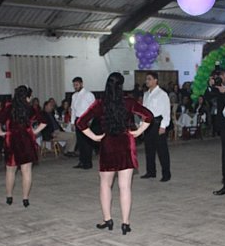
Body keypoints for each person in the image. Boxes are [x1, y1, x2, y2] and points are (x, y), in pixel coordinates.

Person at [76, 72, 153, 235]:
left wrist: (94, 137)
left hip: (108, 145)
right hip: (126, 145)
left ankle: (108, 219)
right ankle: (125, 223)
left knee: (105, 185)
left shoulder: (100, 104)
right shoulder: (129, 102)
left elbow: (80, 122)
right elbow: (149, 116)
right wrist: (138, 132)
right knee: (125, 187)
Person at [0, 86, 47, 207]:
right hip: (26, 140)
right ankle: (25, 198)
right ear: (27, 96)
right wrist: (34, 132)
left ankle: (9, 196)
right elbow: (44, 122)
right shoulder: (30, 108)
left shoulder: (9, 107)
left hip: (12, 140)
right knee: (26, 171)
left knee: (10, 170)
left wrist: (1, 132)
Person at [207, 70, 225, 193]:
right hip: (224, 125)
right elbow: (207, 97)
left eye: (218, 77)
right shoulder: (217, 86)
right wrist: (210, 86)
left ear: (224, 75)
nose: (218, 79)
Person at [141, 72, 171, 182]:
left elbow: (166, 111)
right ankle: (151, 171)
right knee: (149, 149)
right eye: (146, 79)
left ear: (155, 80)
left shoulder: (162, 94)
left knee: (162, 151)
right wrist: (142, 125)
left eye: (149, 79)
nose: (147, 81)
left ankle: (166, 174)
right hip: (148, 124)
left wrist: (163, 126)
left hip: (158, 123)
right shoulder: (146, 94)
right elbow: (143, 110)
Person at [71, 77, 95, 169]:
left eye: (77, 85)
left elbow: (93, 109)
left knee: (87, 142)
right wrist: (72, 122)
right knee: (80, 142)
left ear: (81, 84)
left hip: (86, 119)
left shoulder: (89, 95)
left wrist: (90, 120)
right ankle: (81, 161)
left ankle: (88, 163)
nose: (75, 86)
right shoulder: (74, 96)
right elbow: (73, 110)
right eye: (74, 85)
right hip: (78, 119)